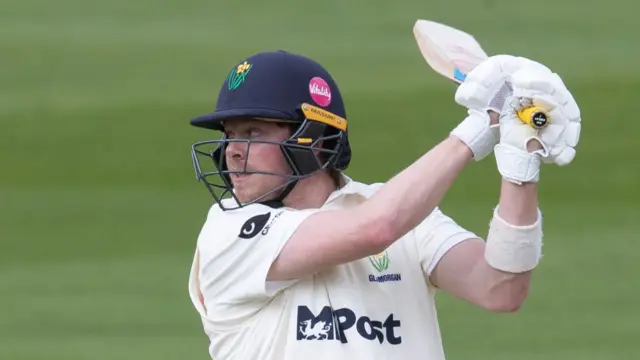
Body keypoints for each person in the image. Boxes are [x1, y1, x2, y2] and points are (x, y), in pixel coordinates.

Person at [186, 50, 582, 360]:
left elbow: (502, 289)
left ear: (315, 139)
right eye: (230, 135)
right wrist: (483, 125)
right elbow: (376, 229)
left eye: (253, 132)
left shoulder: (396, 211)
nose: (233, 151)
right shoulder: (229, 233)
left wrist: (520, 163)